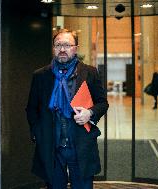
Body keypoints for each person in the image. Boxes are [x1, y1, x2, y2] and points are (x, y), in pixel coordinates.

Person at [26, 29, 108, 189]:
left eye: (67, 45)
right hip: (52, 148)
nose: (62, 49)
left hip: (80, 145)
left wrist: (89, 113)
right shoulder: (41, 75)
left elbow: (102, 103)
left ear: (75, 48)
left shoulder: (89, 73)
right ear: (53, 48)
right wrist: (39, 134)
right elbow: (31, 109)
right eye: (58, 45)